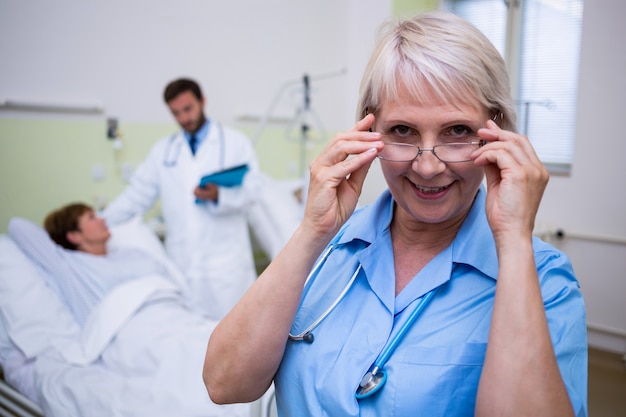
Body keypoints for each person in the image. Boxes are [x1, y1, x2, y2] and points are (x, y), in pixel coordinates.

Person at [202, 11, 587, 417]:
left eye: (457, 131)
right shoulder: (330, 248)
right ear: (370, 134)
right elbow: (224, 383)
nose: (427, 166)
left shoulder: (543, 280)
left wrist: (512, 241)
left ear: (499, 132)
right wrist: (312, 232)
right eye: (403, 130)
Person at [102, 78, 261, 320]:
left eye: (188, 109)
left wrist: (220, 195)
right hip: (183, 263)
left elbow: (253, 192)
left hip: (226, 269)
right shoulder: (163, 151)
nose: (184, 118)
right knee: (192, 340)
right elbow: (136, 195)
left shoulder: (235, 142)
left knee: (234, 336)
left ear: (202, 101)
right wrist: (102, 221)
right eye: (176, 113)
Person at [8, 203, 173, 326]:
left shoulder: (130, 254)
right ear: (74, 236)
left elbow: (164, 280)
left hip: (167, 314)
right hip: (124, 329)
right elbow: (16, 226)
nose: (103, 219)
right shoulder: (69, 265)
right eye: (92, 217)